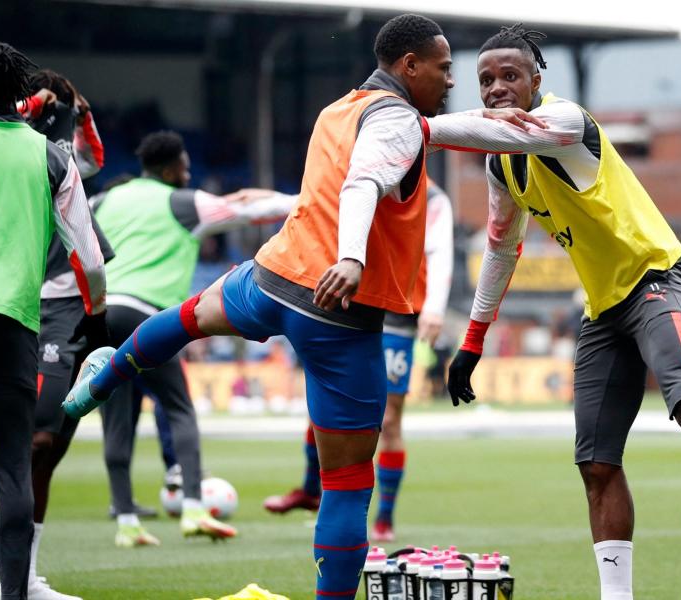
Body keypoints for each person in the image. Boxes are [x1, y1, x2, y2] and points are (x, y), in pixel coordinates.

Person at [62, 13, 571, 598]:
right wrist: (351, 258)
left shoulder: (339, 109)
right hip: (336, 311)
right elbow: (361, 183)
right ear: (410, 66)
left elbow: (358, 169)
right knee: (349, 484)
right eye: (444, 68)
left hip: (269, 279)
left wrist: (489, 119)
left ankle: (109, 371)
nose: (451, 80)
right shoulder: (401, 122)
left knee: (188, 318)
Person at [445, 25, 681, 598]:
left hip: (655, 280)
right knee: (595, 462)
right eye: (486, 80)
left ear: (537, 80)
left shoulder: (567, 121)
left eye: (510, 76)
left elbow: (515, 138)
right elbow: (501, 250)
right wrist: (472, 341)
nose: (497, 88)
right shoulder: (503, 166)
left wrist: (418, 129)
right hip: (603, 310)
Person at [89, 129, 295, 548]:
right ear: (170, 168)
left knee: (118, 414)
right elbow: (253, 210)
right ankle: (195, 509)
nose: (188, 170)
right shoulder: (183, 202)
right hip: (148, 314)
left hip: (104, 312)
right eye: (184, 164)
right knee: (179, 408)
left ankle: (126, 520)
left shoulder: (104, 199)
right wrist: (304, 202)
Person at [262, 179, 455, 547]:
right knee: (323, 402)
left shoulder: (432, 196)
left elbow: (440, 251)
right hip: (351, 301)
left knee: (389, 418)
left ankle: (384, 517)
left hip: (397, 310)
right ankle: (310, 491)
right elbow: (314, 201)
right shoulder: (365, 172)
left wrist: (434, 307)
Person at [0, 40, 107, 600]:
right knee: (14, 469)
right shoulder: (51, 156)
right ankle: (13, 592)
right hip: (13, 325)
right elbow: (88, 258)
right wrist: (98, 322)